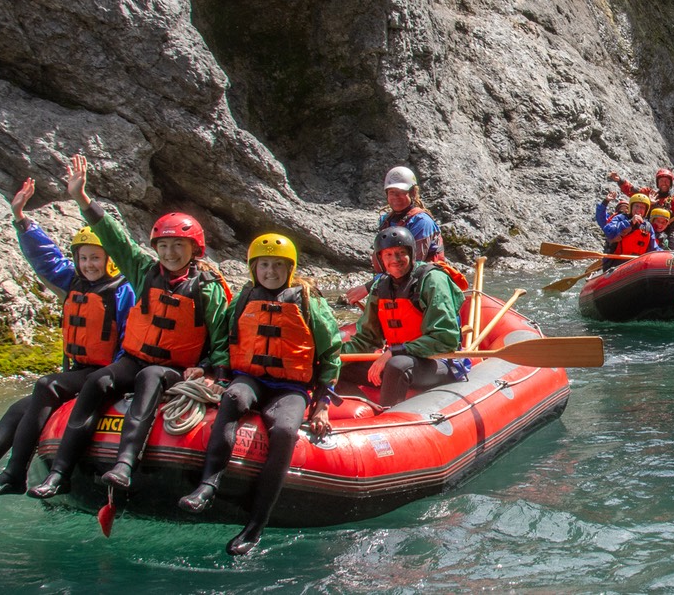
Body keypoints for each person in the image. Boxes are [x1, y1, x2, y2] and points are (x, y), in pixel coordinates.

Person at [0, 178, 136, 501]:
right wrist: (21, 218)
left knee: (47, 385)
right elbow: (47, 258)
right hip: (80, 370)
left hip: (105, 375)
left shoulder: (122, 290)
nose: (89, 265)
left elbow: (129, 338)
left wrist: (113, 383)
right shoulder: (73, 281)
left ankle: (14, 474)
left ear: (109, 259)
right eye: (84, 258)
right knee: (21, 409)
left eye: (95, 258)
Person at [28, 154, 232, 499]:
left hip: (176, 368)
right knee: (98, 380)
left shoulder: (208, 286)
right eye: (163, 246)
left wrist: (211, 371)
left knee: (150, 378)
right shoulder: (144, 271)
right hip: (135, 357)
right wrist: (82, 199)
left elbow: (221, 335)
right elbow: (115, 239)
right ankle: (59, 473)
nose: (169, 253)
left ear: (193, 249)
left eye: (177, 246)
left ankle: (124, 464)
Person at [177, 233, 341, 556]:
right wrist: (216, 372)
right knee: (234, 398)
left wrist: (321, 405)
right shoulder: (243, 298)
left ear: (289, 268)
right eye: (264, 265)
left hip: (292, 387)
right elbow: (223, 340)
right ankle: (208, 485)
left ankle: (255, 526)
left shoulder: (309, 302)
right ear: (254, 268)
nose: (270, 271)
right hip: (249, 379)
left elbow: (332, 353)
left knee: (284, 430)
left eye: (278, 265)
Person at [346, 227, 463, 407]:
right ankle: (365, 410)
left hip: (437, 361)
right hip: (401, 357)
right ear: (381, 259)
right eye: (389, 255)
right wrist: (332, 356)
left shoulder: (432, 280)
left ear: (411, 253)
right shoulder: (381, 286)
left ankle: (387, 420)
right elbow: (366, 338)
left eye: (401, 253)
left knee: (397, 365)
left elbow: (444, 338)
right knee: (341, 366)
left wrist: (396, 351)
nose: (395, 260)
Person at [351, 166, 466, 304]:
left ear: (412, 193)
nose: (396, 198)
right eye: (392, 193)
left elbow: (411, 266)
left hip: (424, 283)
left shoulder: (422, 222)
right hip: (393, 280)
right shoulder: (386, 220)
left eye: (401, 193)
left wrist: (369, 286)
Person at [608, 168, 674, 221]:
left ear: (671, 184)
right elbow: (632, 191)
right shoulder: (648, 193)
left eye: (667, 181)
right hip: (648, 228)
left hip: (668, 232)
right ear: (657, 183)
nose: (664, 183)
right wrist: (620, 180)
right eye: (661, 181)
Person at [603, 193, 665, 260]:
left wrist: (666, 254)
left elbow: (654, 248)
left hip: (636, 264)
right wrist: (630, 222)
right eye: (636, 206)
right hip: (616, 261)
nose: (638, 209)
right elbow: (608, 231)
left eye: (642, 207)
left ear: (645, 211)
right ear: (631, 207)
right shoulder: (621, 218)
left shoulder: (648, 226)